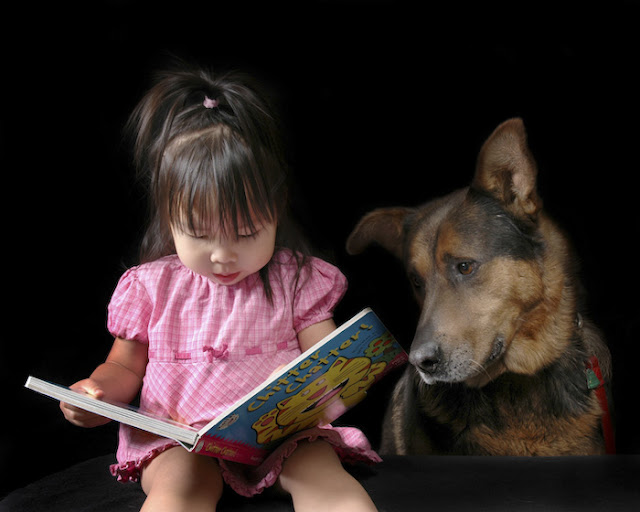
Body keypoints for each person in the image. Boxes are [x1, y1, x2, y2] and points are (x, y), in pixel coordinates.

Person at [60, 65, 379, 511]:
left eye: (247, 233)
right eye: (199, 234)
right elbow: (125, 369)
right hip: (179, 439)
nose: (223, 255)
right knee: (181, 485)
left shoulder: (297, 279)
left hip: (282, 434)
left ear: (276, 211)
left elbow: (330, 357)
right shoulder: (150, 287)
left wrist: (302, 384)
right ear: (169, 219)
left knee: (321, 472)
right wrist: (95, 393)